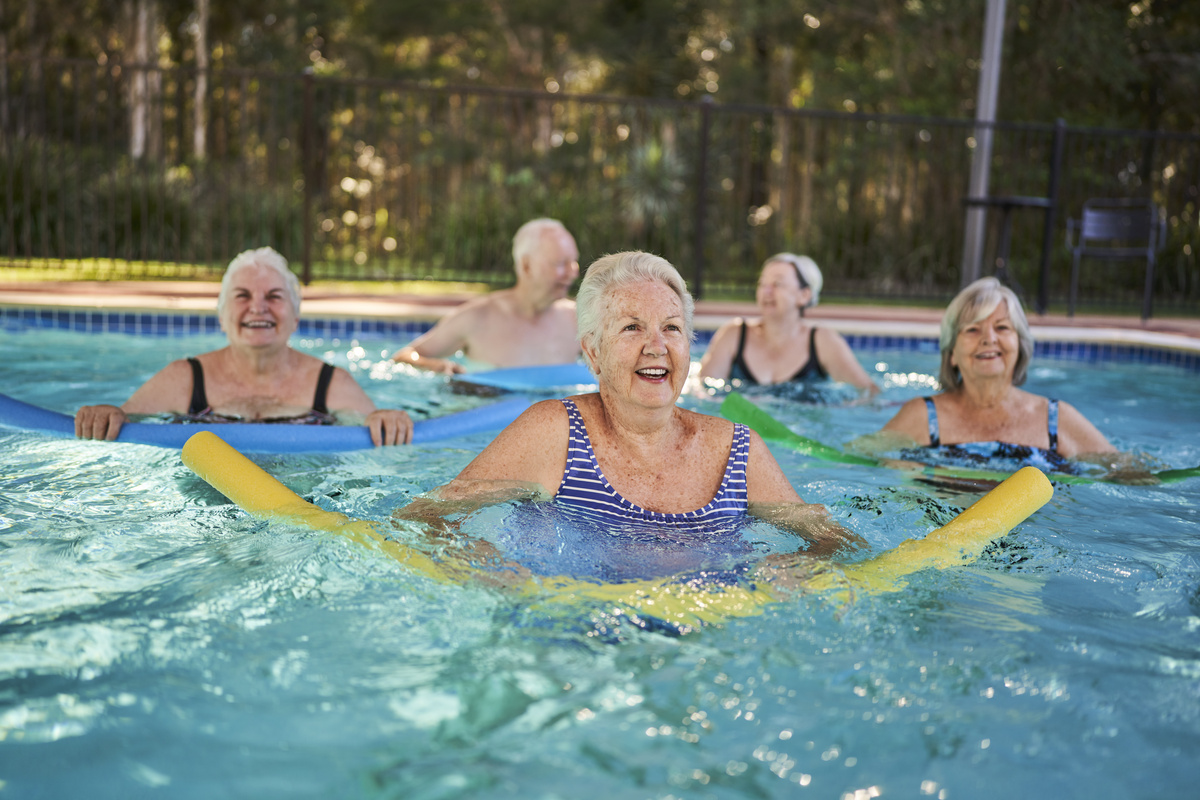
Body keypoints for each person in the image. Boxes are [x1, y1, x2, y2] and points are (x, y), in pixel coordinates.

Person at [408, 251, 861, 559]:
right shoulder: (555, 434)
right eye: (631, 328)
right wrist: (485, 567)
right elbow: (422, 516)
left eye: (672, 328)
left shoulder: (735, 450)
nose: (657, 346)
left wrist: (797, 571)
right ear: (592, 352)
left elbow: (836, 542)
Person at [75, 247, 414, 446]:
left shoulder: (331, 384)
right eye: (243, 296)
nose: (258, 307)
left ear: (295, 317)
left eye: (274, 297)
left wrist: (386, 419)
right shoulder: (185, 379)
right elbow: (120, 423)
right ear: (222, 318)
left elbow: (378, 431)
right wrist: (107, 413)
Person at [872, 276, 1114, 470]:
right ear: (952, 353)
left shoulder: (1056, 419)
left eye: (1002, 327)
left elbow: (1130, 473)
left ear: (1020, 346)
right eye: (973, 330)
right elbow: (858, 463)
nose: (989, 339)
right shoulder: (923, 417)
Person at [390, 218, 581, 373]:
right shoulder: (478, 317)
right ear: (526, 266)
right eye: (560, 263)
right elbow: (405, 356)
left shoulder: (578, 320)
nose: (573, 272)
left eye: (574, 262)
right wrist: (436, 366)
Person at [698, 253, 878, 395]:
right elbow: (701, 390)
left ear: (804, 295)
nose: (766, 291)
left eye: (777, 284)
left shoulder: (822, 341)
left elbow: (868, 392)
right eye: (762, 283)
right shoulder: (734, 334)